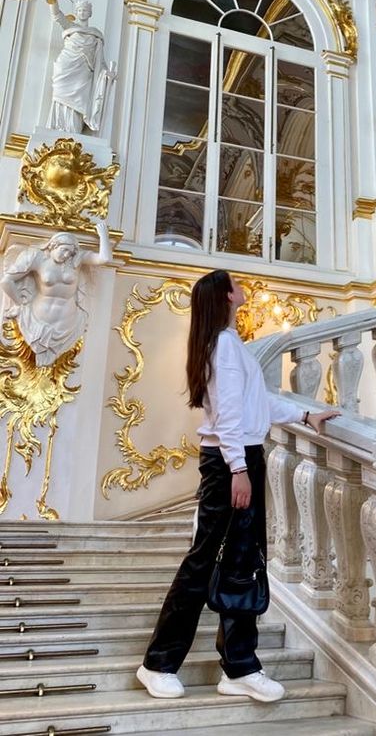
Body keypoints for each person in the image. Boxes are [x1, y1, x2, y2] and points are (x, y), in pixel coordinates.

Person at [136, 270, 339, 702]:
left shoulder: (230, 344)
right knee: (203, 560)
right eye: (238, 284)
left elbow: (255, 403)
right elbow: (228, 415)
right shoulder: (224, 346)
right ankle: (158, 663)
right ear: (228, 295)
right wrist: (238, 470)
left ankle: (240, 667)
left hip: (243, 457)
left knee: (242, 562)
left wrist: (305, 417)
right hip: (232, 461)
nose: (244, 288)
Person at [0, 221, 112, 366]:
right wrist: (18, 304)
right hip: (36, 321)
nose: (66, 255)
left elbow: (104, 259)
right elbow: (6, 281)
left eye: (70, 252)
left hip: (68, 323)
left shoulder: (75, 260)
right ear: (53, 245)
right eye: (64, 250)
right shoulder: (37, 258)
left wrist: (103, 235)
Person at [47, 0, 116, 135]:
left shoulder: (95, 34)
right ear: (76, 12)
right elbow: (56, 14)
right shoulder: (69, 25)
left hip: (84, 72)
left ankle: (72, 131)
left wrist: (106, 74)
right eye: (79, 10)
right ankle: (58, 127)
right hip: (66, 66)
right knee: (60, 96)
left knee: (79, 102)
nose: (82, 13)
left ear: (90, 13)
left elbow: (100, 59)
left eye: (85, 10)